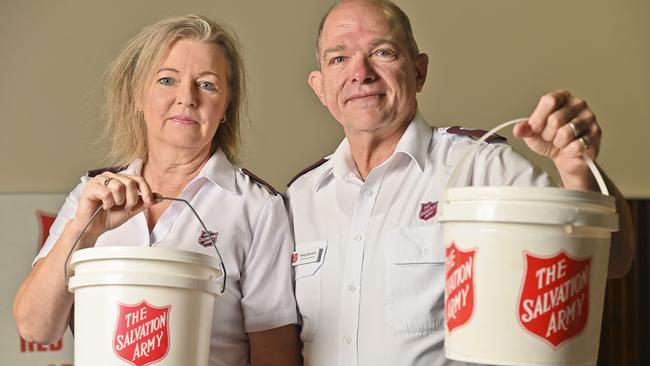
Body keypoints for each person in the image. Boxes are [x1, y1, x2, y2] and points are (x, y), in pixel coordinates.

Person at [285, 1, 635, 365]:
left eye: (383, 52)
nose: (361, 72)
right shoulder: (300, 198)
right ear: (320, 87)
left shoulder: (480, 167)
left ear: (419, 72)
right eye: (338, 59)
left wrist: (578, 169)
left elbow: (613, 260)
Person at [13, 15, 300, 366]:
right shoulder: (91, 195)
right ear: (137, 95)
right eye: (167, 80)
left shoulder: (257, 208)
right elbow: (35, 328)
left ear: (226, 105)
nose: (187, 98)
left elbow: (275, 352)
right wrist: (82, 233)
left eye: (207, 85)